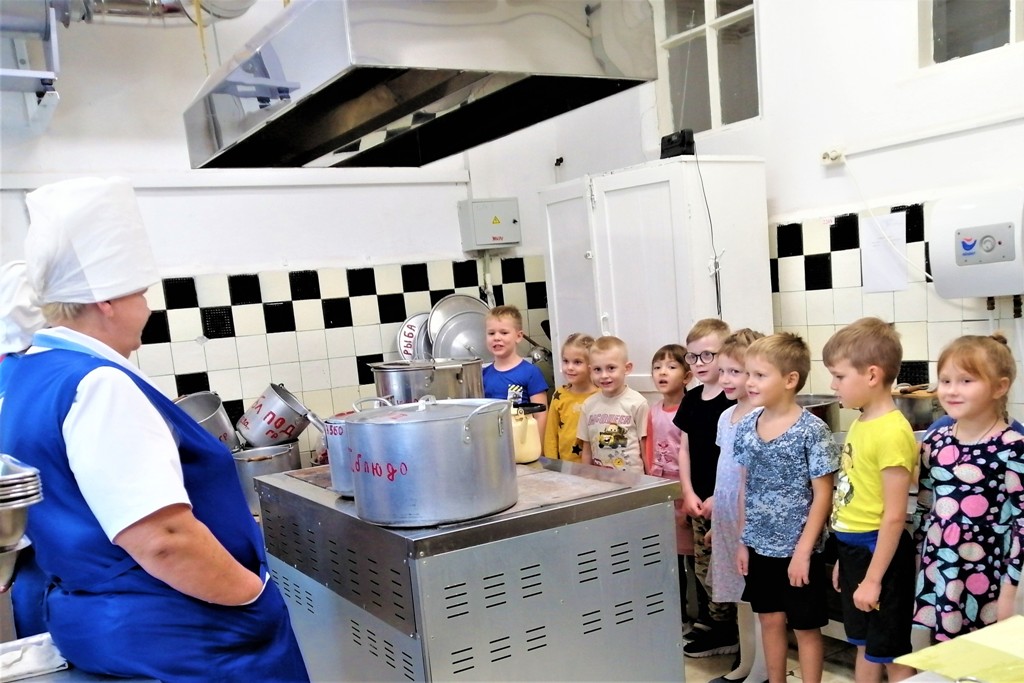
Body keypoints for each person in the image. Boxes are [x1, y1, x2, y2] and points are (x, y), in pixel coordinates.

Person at [0, 177, 309, 682]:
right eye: (141, 293)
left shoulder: (30, 374)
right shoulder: (98, 384)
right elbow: (164, 539)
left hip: (109, 626)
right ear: (106, 301)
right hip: (187, 634)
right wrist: (251, 598)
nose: (147, 307)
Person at [734, 333, 840, 683]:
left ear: (790, 379)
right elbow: (746, 486)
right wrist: (743, 540)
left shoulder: (812, 430)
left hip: (799, 550)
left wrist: (803, 552)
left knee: (806, 627)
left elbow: (823, 495)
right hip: (758, 546)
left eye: (759, 375)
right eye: (748, 374)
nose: (749, 382)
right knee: (769, 619)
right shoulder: (747, 426)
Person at [912, 334, 1023, 641]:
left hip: (990, 574)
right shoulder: (935, 441)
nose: (952, 390)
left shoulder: (1013, 448)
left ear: (999, 387)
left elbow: (1022, 525)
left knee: (985, 655)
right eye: (946, 381)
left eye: (966, 381)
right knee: (943, 654)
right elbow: (925, 506)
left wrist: (1010, 592)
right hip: (941, 568)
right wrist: (921, 563)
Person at [822, 318, 916, 682]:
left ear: (872, 375)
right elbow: (854, 497)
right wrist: (844, 560)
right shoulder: (862, 423)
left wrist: (874, 578)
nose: (833, 385)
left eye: (839, 376)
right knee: (863, 644)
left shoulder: (892, 431)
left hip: (881, 554)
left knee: (891, 652)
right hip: (855, 551)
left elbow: (894, 516)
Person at [675, 318, 739, 658]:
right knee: (705, 569)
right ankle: (718, 624)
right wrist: (687, 491)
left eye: (707, 355)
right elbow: (684, 449)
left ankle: (731, 631)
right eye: (692, 356)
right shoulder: (691, 399)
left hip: (726, 503)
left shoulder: (732, 403)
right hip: (699, 501)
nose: (698, 363)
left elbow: (735, 460)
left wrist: (719, 496)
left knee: (726, 570)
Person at [708, 329, 768, 683]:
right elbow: (725, 471)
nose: (725, 379)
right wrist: (718, 517)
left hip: (752, 519)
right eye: (723, 371)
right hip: (728, 515)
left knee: (759, 600)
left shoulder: (761, 417)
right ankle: (746, 664)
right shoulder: (726, 416)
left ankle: (763, 671)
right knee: (740, 597)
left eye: (736, 372)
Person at [644, 344, 708, 634]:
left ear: (687, 376)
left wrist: (685, 500)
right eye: (657, 367)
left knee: (695, 558)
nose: (662, 372)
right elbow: (648, 450)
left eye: (671, 367)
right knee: (668, 557)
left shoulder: (691, 409)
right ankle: (676, 615)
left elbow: (691, 456)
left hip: (686, 494)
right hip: (661, 496)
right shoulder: (653, 411)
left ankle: (705, 617)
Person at [577, 335, 649, 472]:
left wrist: (650, 479)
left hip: (633, 479)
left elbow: (645, 447)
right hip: (600, 479)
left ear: (627, 368)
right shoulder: (588, 405)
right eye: (597, 369)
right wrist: (586, 477)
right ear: (590, 370)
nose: (604, 375)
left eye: (611, 368)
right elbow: (587, 448)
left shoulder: (638, 403)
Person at [483, 304, 549, 441]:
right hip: (493, 442)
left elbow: (541, 415)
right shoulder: (483, 375)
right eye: (491, 333)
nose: (496, 337)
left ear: (518, 336)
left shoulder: (531, 373)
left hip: (523, 443)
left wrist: (539, 447)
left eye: (504, 332)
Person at [544, 332, 596, 460]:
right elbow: (551, 434)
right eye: (566, 361)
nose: (569, 367)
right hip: (565, 465)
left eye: (577, 362)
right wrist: (551, 463)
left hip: (596, 466)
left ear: (591, 366)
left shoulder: (601, 396)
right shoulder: (559, 395)